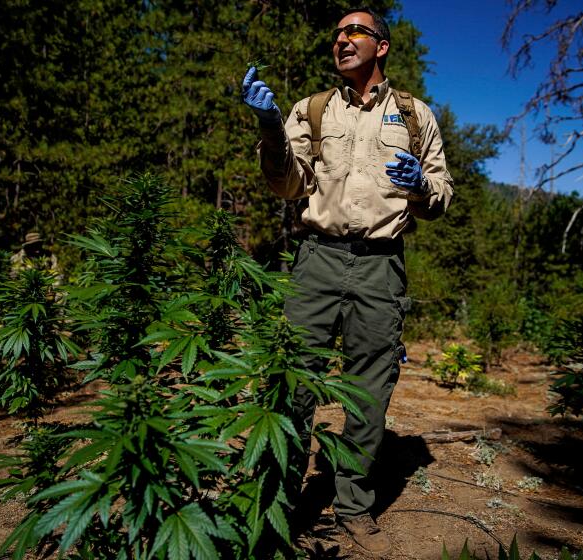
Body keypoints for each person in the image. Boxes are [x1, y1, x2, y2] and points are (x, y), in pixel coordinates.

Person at [242, 6, 453, 555]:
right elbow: (288, 186)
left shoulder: (415, 115)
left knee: (369, 390)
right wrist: (270, 128)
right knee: (292, 380)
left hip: (381, 265)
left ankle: (354, 505)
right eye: (337, 33)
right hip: (316, 258)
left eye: (355, 31)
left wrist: (421, 189)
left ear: (381, 46)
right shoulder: (312, 110)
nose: (342, 40)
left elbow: (442, 193)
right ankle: (279, 503)